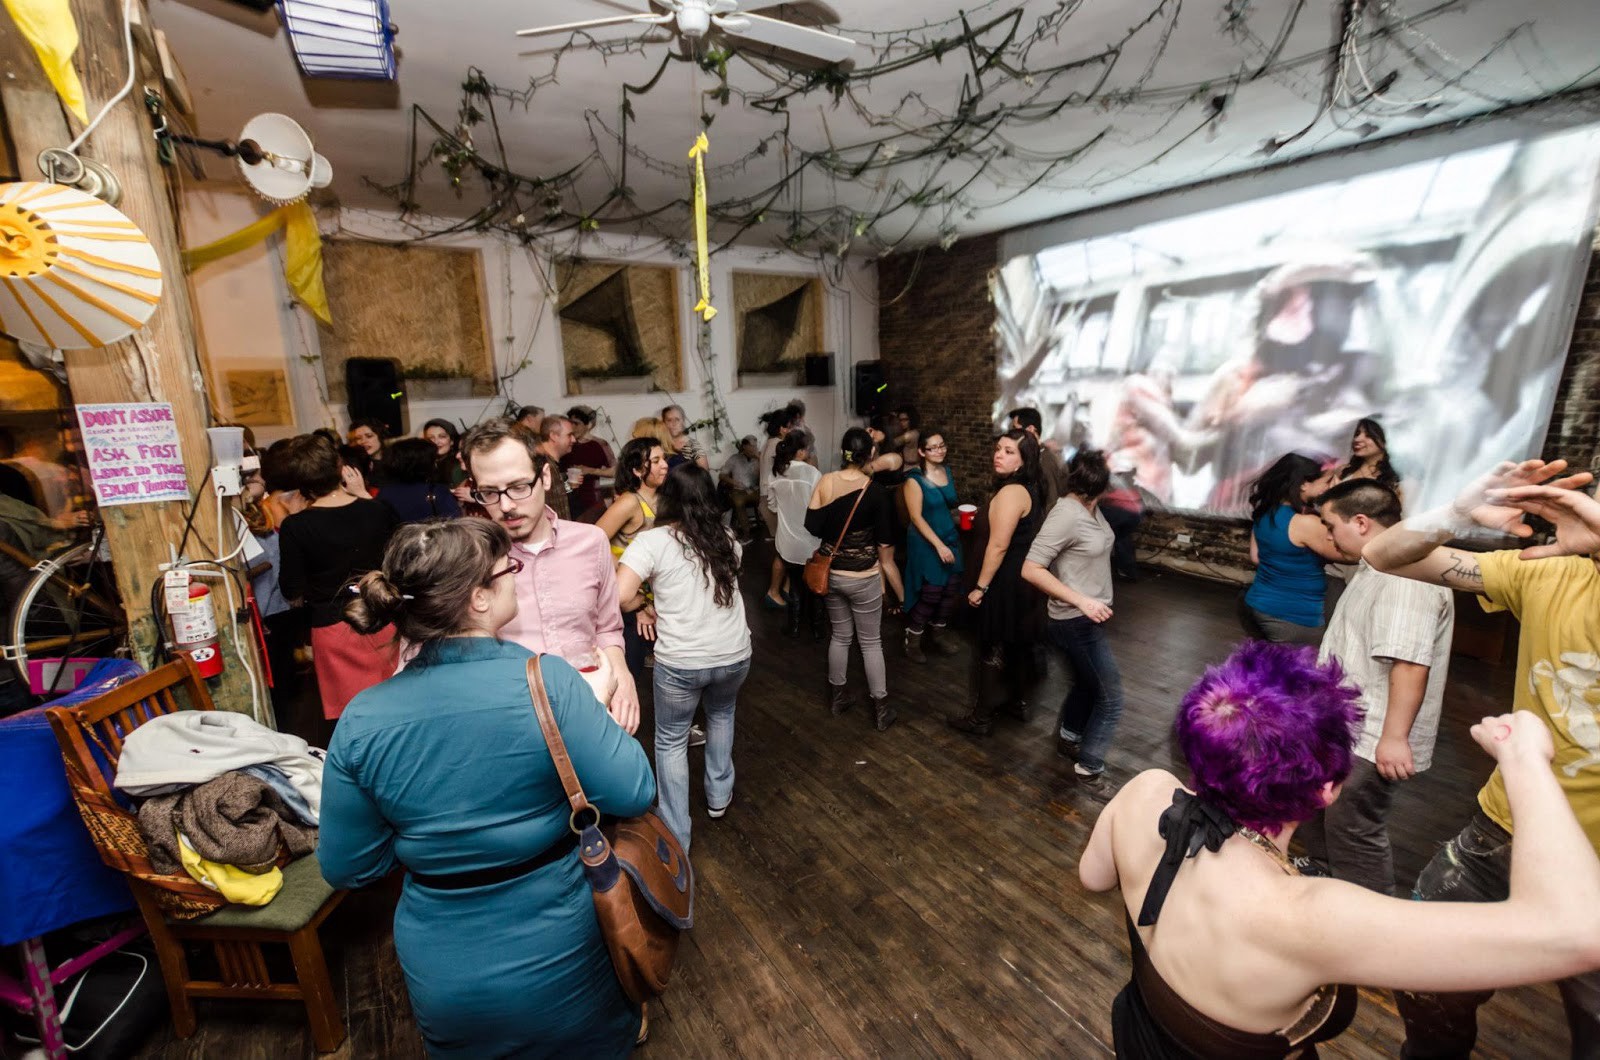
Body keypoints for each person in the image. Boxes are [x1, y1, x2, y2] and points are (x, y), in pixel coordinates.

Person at [1079, 639, 1600, 1060]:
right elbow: (1581, 930)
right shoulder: (1310, 915)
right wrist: (1526, 759)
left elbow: (1093, 877)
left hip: (1139, 1035)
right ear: (1326, 790)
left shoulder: (1146, 791)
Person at [321, 519, 655, 1058]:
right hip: (563, 945)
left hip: (443, 964)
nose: (514, 579)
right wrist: (590, 711)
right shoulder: (548, 681)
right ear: (478, 599)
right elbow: (635, 791)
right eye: (508, 571)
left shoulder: (361, 719)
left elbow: (348, 866)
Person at [1364, 457, 1600, 1056]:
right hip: (1502, 829)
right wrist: (1456, 512)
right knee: (1425, 979)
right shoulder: (1552, 577)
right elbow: (1385, 556)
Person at [1294, 478, 1454, 896]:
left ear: (1361, 522)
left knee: (1354, 828)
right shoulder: (1375, 564)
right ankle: (1323, 876)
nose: (1327, 536)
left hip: (1373, 733)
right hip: (1347, 721)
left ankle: (1369, 917)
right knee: (1325, 811)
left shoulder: (1407, 574)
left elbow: (1409, 662)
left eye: (1331, 526)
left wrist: (1394, 738)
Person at [459, 418, 640, 734]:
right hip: (513, 720)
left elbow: (607, 626)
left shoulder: (590, 542)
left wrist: (622, 674)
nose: (505, 506)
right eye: (489, 492)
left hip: (590, 705)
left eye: (518, 487)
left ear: (544, 477)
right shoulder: (471, 559)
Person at [618, 465, 749, 849]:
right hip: (734, 652)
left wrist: (646, 603)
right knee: (722, 715)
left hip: (683, 662)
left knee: (671, 740)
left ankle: (677, 830)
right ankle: (719, 798)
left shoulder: (653, 541)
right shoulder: (726, 536)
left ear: (666, 498)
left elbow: (621, 595)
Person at [274, 435, 399, 720]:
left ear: (300, 480)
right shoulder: (377, 509)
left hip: (333, 628)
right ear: (339, 466)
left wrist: (296, 521)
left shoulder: (296, 525)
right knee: (396, 707)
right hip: (383, 618)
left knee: (352, 717)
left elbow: (291, 588)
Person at [1022, 448, 1123, 791]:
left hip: (1088, 618)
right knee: (1111, 698)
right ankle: (1090, 765)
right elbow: (1031, 568)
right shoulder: (1066, 513)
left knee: (1086, 682)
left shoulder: (1091, 507)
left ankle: (1068, 736)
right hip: (1073, 620)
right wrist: (1083, 601)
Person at [806, 428, 904, 730]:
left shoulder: (825, 481)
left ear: (842, 452)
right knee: (871, 642)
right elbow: (886, 543)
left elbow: (812, 525)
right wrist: (900, 594)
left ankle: (838, 697)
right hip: (863, 577)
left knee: (840, 636)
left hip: (832, 574)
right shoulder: (875, 493)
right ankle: (881, 708)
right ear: (870, 455)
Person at [948, 430, 1044, 736]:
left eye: (1008, 451)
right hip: (1020, 578)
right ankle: (1016, 704)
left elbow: (999, 545)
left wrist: (981, 587)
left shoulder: (1011, 492)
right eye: (998, 449)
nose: (998, 455)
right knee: (1014, 641)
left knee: (991, 644)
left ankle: (981, 718)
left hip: (1004, 580)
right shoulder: (1027, 487)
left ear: (1023, 460)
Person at [1241, 453, 1342, 646]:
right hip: (1294, 616)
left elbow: (1256, 557)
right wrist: (1339, 499)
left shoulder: (1265, 513)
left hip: (1258, 605)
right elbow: (1351, 553)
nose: (1330, 486)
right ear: (1304, 484)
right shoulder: (1305, 523)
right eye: (1328, 481)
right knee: (1297, 674)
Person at [597, 438, 667, 684]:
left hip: (652, 595)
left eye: (664, 459)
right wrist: (635, 603)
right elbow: (595, 540)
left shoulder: (662, 498)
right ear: (638, 470)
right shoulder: (629, 502)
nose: (664, 465)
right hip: (628, 599)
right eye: (656, 461)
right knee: (630, 672)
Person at [901, 428, 962, 662]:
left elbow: (947, 507)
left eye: (941, 445)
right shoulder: (914, 480)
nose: (939, 451)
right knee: (931, 592)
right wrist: (938, 546)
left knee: (950, 590)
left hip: (949, 537)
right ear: (921, 452)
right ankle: (912, 638)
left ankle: (938, 633)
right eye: (932, 447)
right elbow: (916, 517)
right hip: (927, 542)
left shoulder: (946, 471)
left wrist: (963, 515)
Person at [768, 431, 823, 640]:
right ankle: (818, 628)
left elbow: (772, 506)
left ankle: (794, 626)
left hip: (787, 541)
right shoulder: (812, 473)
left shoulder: (776, 473)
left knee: (795, 584)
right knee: (816, 586)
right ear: (800, 451)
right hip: (811, 540)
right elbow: (820, 506)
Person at [757, 406, 800, 609]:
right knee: (783, 550)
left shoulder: (769, 443)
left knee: (785, 547)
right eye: (790, 427)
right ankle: (773, 592)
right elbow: (785, 475)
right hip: (772, 501)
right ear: (783, 428)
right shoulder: (779, 446)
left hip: (766, 499)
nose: (791, 431)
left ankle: (786, 587)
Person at [376, 439, 463, 523]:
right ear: (425, 463)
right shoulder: (437, 491)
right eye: (433, 460)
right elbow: (456, 525)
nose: (436, 464)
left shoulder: (384, 492)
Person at [562, 406, 615, 521]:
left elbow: (615, 470)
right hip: (567, 498)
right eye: (570, 423)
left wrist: (590, 470)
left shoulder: (599, 444)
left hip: (591, 500)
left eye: (577, 423)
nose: (572, 427)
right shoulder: (565, 443)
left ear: (589, 425)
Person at [1009, 407, 1064, 509]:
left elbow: (1051, 505)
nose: (1011, 434)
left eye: (1015, 429)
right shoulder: (1033, 456)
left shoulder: (1045, 460)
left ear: (1030, 429)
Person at [719, 435, 762, 541]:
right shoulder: (734, 458)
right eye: (751, 446)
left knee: (766, 500)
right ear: (744, 446)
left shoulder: (759, 458)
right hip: (739, 491)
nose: (754, 448)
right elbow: (722, 475)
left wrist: (759, 459)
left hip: (755, 490)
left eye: (755, 446)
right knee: (738, 502)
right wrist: (733, 481)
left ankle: (770, 530)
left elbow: (768, 473)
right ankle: (746, 533)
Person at [536, 415, 578, 520]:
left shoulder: (553, 463)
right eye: (570, 435)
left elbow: (557, 493)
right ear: (553, 436)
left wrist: (569, 486)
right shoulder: (541, 464)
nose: (574, 440)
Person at [421, 419, 466, 489]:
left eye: (442, 436)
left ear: (452, 441)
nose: (436, 442)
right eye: (431, 438)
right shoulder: (422, 462)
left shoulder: (458, 466)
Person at [661, 405, 709, 471]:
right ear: (664, 423)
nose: (673, 424)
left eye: (677, 419)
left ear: (683, 421)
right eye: (669, 420)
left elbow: (705, 474)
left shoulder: (693, 445)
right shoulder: (660, 445)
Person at [346, 419, 388, 486]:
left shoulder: (395, 462)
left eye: (369, 436)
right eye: (358, 438)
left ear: (381, 437)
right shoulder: (355, 464)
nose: (363, 441)